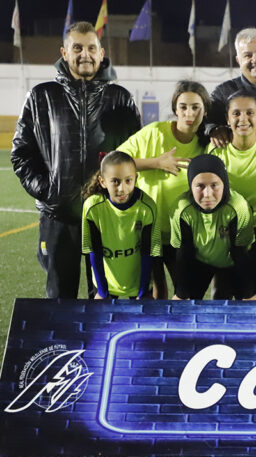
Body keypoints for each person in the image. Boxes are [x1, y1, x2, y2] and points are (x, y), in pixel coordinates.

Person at [10, 21, 141, 299]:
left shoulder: (120, 98)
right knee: (60, 298)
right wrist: (48, 191)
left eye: (91, 48)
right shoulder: (41, 97)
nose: (85, 54)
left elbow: (135, 155)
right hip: (59, 217)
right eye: (77, 48)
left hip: (108, 217)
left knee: (108, 297)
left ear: (101, 53)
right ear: (64, 52)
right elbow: (21, 153)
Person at [117, 80, 210, 299]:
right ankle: (156, 331)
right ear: (175, 109)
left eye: (196, 107)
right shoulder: (153, 133)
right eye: (183, 107)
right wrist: (156, 163)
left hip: (184, 234)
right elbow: (115, 161)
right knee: (154, 290)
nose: (189, 113)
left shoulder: (207, 143)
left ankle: (184, 332)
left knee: (186, 292)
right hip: (146, 229)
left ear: (205, 111)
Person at [208, 92, 256, 299]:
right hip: (227, 231)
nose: (243, 119)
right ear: (227, 119)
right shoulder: (215, 151)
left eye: (250, 113)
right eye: (236, 113)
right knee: (223, 293)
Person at [170, 154, 256, 301]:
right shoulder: (180, 209)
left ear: (224, 184)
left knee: (245, 303)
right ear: (190, 186)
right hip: (201, 261)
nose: (208, 194)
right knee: (187, 301)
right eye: (200, 186)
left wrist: (249, 294)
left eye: (214, 185)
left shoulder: (238, 207)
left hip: (232, 262)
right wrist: (181, 294)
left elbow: (240, 252)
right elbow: (184, 253)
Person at [81, 151, 161, 299]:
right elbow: (94, 251)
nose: (122, 189)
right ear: (103, 182)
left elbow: (147, 252)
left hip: (138, 285)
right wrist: (103, 292)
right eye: (115, 181)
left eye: (128, 181)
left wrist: (143, 292)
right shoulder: (92, 207)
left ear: (136, 178)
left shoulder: (147, 207)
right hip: (105, 284)